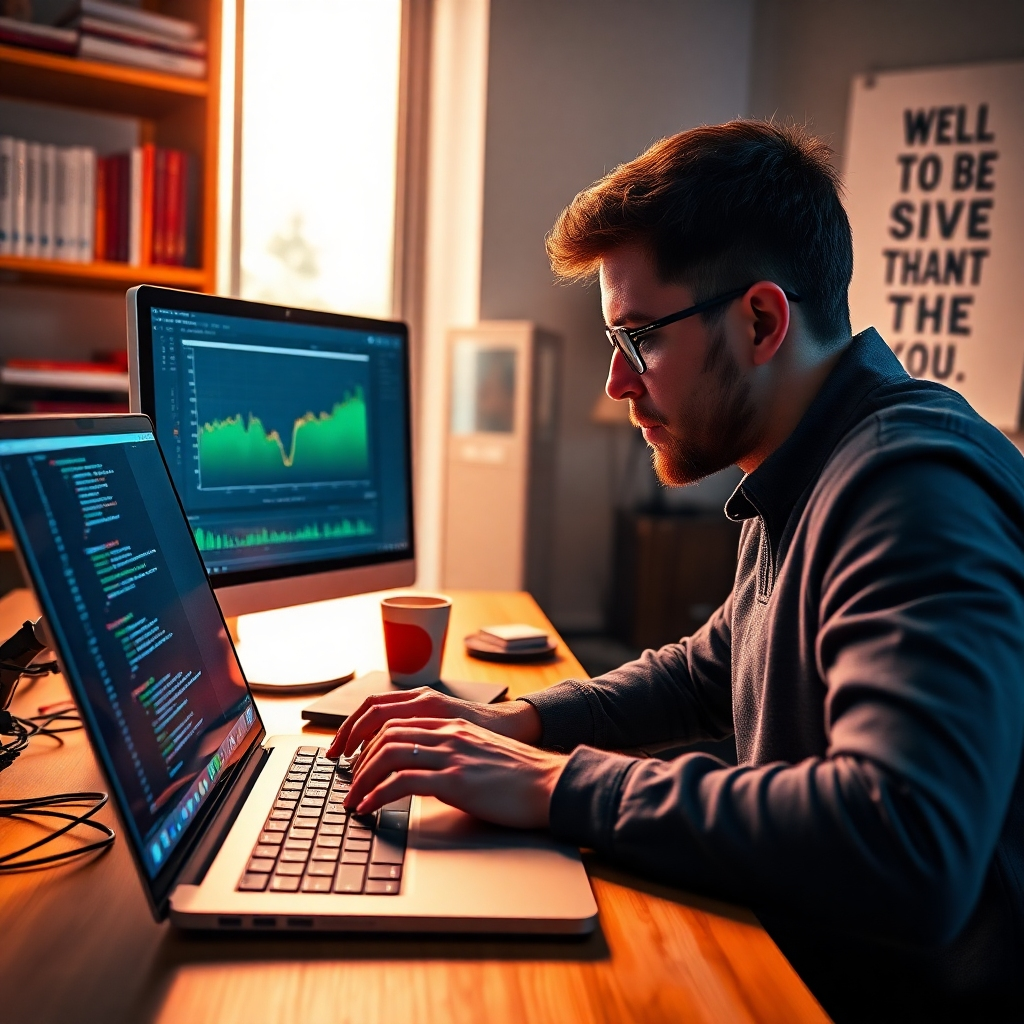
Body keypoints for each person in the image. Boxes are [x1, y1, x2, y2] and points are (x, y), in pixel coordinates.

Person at [328, 121, 1024, 1022]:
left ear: (763, 319)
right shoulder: (808, 466)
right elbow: (709, 670)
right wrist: (515, 724)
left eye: (640, 339)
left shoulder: (910, 489)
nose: (620, 384)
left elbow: (904, 839)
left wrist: (550, 786)